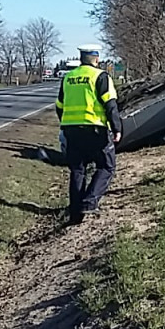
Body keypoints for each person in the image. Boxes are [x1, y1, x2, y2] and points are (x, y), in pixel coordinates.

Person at [55, 44, 123, 223]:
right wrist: (117, 129)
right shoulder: (100, 76)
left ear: (81, 58)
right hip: (95, 129)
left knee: (77, 170)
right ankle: (89, 202)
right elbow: (110, 105)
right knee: (107, 166)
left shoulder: (68, 77)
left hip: (71, 130)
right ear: (97, 59)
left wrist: (66, 124)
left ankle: (75, 214)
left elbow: (59, 106)